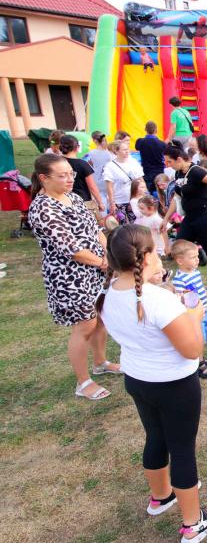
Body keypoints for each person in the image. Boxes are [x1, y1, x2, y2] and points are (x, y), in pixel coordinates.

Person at [97, 225, 207, 543]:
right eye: (155, 250)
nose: (160, 254)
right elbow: (192, 350)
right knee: (182, 448)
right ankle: (193, 523)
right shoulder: (157, 300)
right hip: (174, 385)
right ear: (144, 257)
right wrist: (194, 316)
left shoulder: (109, 292)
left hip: (138, 380)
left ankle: (161, 496)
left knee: (155, 436)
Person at [27, 154, 121, 400]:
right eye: (63, 175)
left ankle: (100, 363)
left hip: (96, 270)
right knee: (85, 324)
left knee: (100, 318)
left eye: (71, 174)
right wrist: (103, 262)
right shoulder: (43, 208)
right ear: (44, 178)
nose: (70, 179)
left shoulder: (74, 197)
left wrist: (108, 254)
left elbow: (95, 230)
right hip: (69, 277)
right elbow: (71, 249)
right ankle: (83, 382)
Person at [161, 144, 207, 293]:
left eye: (169, 161)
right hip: (190, 217)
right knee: (179, 246)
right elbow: (177, 197)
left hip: (205, 216)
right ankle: (187, 276)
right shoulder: (179, 173)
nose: (167, 165)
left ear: (179, 159)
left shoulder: (196, 171)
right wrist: (165, 219)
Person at [170, 240, 207, 379]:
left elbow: (200, 288)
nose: (197, 259)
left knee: (205, 334)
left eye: (197, 256)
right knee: (199, 338)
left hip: (203, 310)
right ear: (180, 261)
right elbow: (180, 300)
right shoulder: (179, 280)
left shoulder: (195, 272)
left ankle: (200, 357)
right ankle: (199, 365)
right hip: (193, 316)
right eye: (193, 257)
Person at [59, 134, 103, 221]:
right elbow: (92, 186)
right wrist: (100, 202)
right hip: (83, 201)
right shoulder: (82, 164)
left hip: (62, 200)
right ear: (77, 147)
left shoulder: (56, 163)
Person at [103, 139, 144, 224]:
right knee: (122, 225)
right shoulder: (110, 166)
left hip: (134, 199)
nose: (127, 151)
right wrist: (112, 203)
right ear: (116, 151)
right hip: (119, 201)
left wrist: (144, 195)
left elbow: (141, 180)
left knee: (137, 224)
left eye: (128, 149)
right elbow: (109, 187)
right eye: (124, 150)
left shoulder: (133, 162)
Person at [136, 121, 167, 191]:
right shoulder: (162, 144)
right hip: (159, 171)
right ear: (156, 130)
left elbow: (137, 147)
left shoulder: (140, 142)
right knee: (160, 191)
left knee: (147, 191)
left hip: (146, 171)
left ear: (145, 129)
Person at [87, 132, 113, 201]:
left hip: (95, 183)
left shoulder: (89, 154)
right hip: (109, 183)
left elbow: (86, 167)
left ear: (94, 141)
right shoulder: (110, 154)